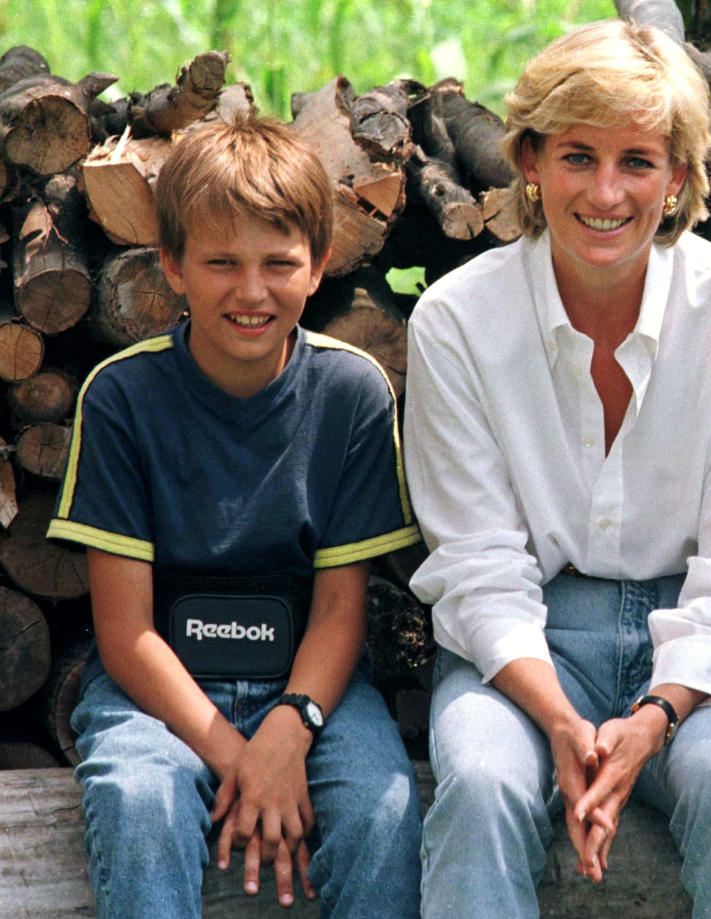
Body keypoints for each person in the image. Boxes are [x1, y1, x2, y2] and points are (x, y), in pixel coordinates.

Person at [404, 17, 711, 918]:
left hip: (699, 641)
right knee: (476, 782)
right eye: (578, 156)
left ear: (678, 178)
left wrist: (656, 716)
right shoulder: (458, 321)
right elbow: (475, 562)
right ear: (530, 161)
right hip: (525, 637)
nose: (606, 192)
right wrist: (555, 718)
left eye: (638, 161)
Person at [47, 116, 423, 918]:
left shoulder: (351, 393)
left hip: (309, 684)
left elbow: (337, 607)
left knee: (382, 810)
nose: (251, 291)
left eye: (278, 264)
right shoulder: (121, 398)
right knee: (140, 801)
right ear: (173, 267)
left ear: (319, 266)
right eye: (221, 263)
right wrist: (240, 757)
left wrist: (291, 727)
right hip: (158, 690)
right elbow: (127, 635)